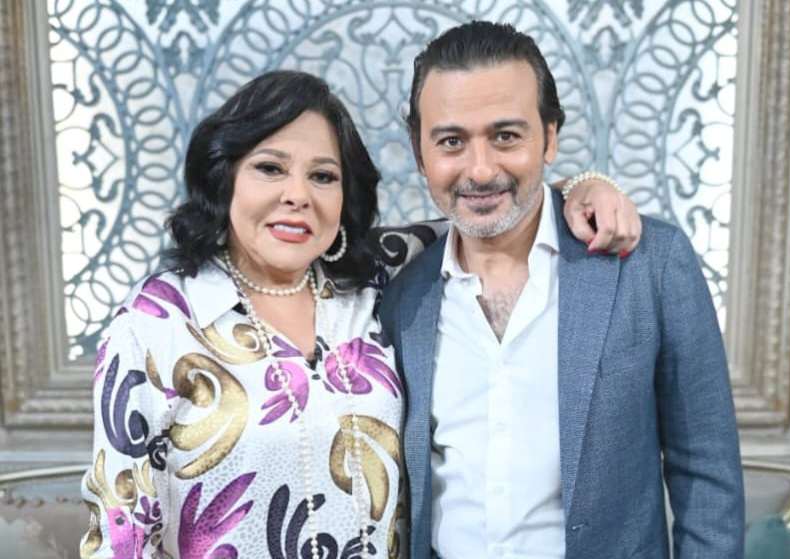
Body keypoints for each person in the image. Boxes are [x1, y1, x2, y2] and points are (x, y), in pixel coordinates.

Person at [79, 69, 640, 558]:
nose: (298, 195)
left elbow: (491, 208)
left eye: (323, 176)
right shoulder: (154, 325)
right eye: (270, 168)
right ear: (223, 178)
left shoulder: (373, 280)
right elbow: (120, 533)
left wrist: (584, 188)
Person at [379, 21, 744, 559]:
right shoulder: (400, 295)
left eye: (506, 136)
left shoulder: (651, 265)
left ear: (550, 137)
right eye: (451, 142)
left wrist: (585, 183)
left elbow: (707, 472)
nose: (481, 169)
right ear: (419, 151)